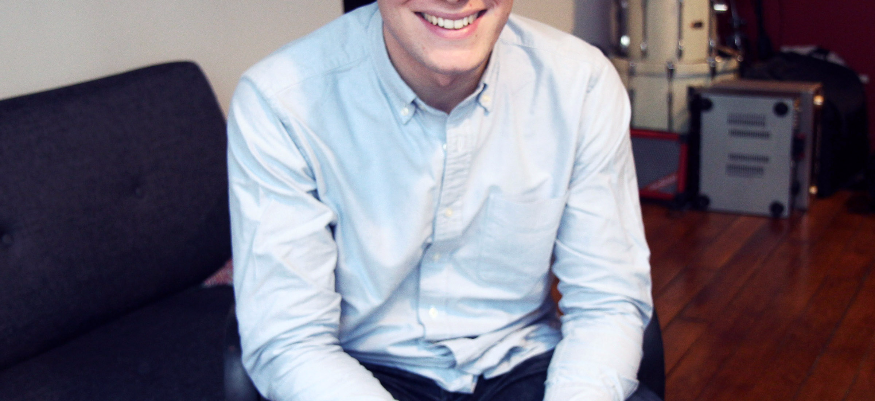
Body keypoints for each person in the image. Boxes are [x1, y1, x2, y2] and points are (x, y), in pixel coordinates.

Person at [227, 0, 656, 400]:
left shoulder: (581, 83)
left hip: (524, 362)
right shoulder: (280, 102)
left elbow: (606, 302)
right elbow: (292, 340)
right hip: (358, 371)